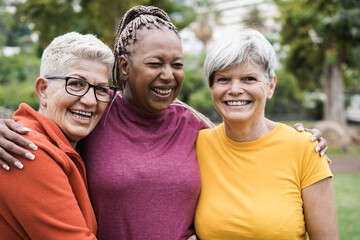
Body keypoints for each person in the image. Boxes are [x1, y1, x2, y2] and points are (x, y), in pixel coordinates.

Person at [0, 6, 328, 240]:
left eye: (177, 64)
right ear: (125, 67)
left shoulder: (194, 128)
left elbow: (244, 141)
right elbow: (51, 118)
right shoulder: (97, 113)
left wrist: (300, 140)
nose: (168, 75)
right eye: (155, 63)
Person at [194, 28, 338, 239]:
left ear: (270, 86)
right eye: (223, 79)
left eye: (249, 79)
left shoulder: (306, 148)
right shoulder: (197, 145)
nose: (235, 89)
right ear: (212, 88)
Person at [0, 32, 115, 239]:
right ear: (43, 90)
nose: (90, 100)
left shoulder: (65, 145)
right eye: (76, 84)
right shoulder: (26, 150)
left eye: (101, 89)